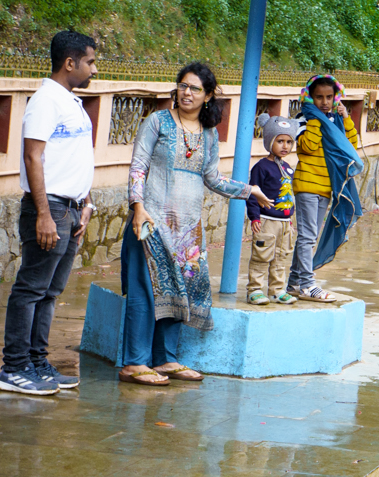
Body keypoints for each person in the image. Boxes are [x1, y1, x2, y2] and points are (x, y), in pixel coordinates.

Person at [121, 62, 266, 385]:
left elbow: (213, 178)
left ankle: (165, 359)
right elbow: (138, 167)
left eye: (195, 88)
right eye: (183, 86)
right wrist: (138, 208)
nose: (186, 93)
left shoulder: (209, 134)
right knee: (146, 291)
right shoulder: (157, 121)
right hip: (151, 223)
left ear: (208, 95)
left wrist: (250, 190)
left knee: (178, 291)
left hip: (187, 232)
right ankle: (134, 362)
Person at [0, 31, 100, 396]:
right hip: (50, 207)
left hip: (71, 209)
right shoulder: (45, 101)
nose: (94, 69)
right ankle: (14, 368)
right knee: (31, 289)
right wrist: (43, 213)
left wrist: (86, 204)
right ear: (69, 63)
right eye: (89, 62)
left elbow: (75, 158)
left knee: (50, 291)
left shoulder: (71, 102)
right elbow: (33, 156)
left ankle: (37, 362)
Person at [289, 74, 359, 303]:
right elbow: (308, 147)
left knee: (310, 236)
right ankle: (307, 285)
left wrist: (346, 119)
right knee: (307, 237)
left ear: (336, 98)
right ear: (310, 98)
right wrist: (316, 119)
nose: (325, 102)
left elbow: (350, 147)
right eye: (319, 97)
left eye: (329, 97)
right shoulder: (303, 119)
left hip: (326, 186)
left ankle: (294, 283)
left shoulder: (335, 120)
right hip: (307, 184)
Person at [247, 116, 300, 303]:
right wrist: (255, 217)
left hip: (284, 223)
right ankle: (255, 290)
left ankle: (277, 290)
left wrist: (290, 218)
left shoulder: (287, 168)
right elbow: (253, 193)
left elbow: (289, 194)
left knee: (280, 257)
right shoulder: (261, 167)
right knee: (261, 256)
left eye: (289, 142)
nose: (285, 146)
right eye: (280, 141)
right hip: (266, 221)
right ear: (270, 141)